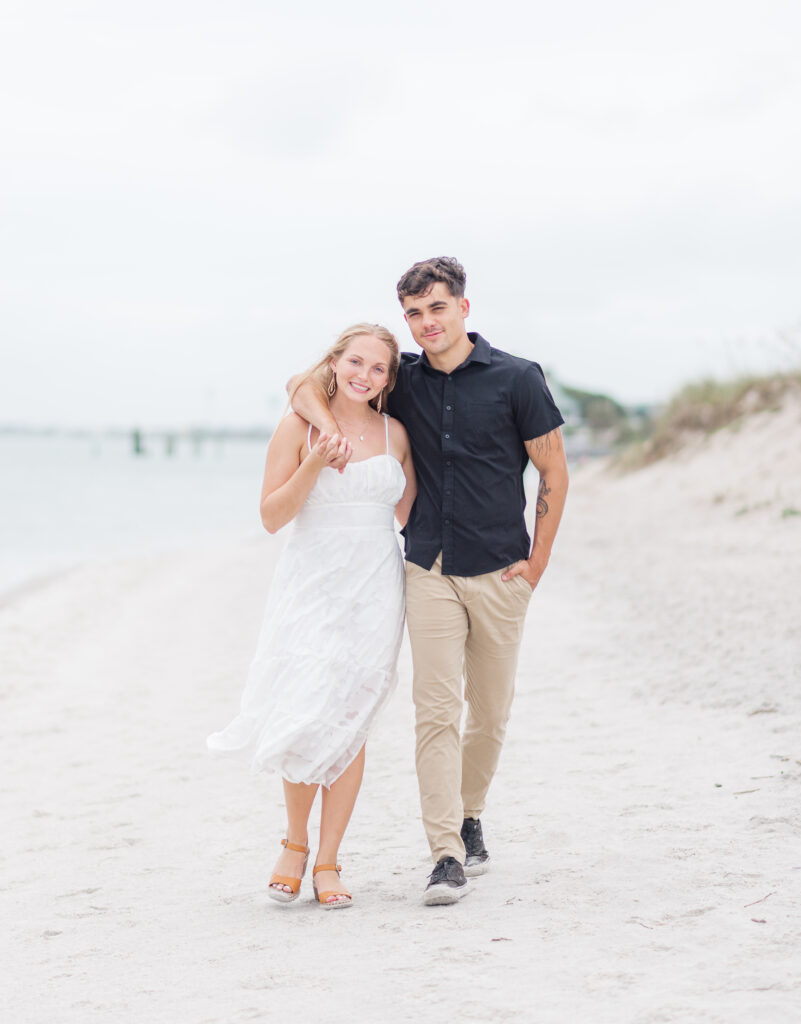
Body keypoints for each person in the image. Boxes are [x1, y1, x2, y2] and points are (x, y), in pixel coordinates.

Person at [290, 257, 568, 906]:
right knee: (436, 712)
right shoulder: (401, 379)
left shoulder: (517, 379)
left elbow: (553, 474)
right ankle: (444, 853)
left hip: (501, 568)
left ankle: (470, 814)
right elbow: (301, 383)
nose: (424, 323)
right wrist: (328, 428)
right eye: (413, 313)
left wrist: (537, 564)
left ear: (463, 308)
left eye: (435, 308)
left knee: (489, 713)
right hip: (429, 567)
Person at [208, 323, 416, 909]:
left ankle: (328, 860)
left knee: (351, 721)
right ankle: (293, 844)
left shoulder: (395, 433)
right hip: (312, 584)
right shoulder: (298, 425)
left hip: (376, 586)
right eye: (355, 362)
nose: (364, 376)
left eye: (378, 369)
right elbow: (272, 517)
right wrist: (315, 464)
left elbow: (410, 513)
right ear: (335, 361)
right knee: (304, 709)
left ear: (388, 380)